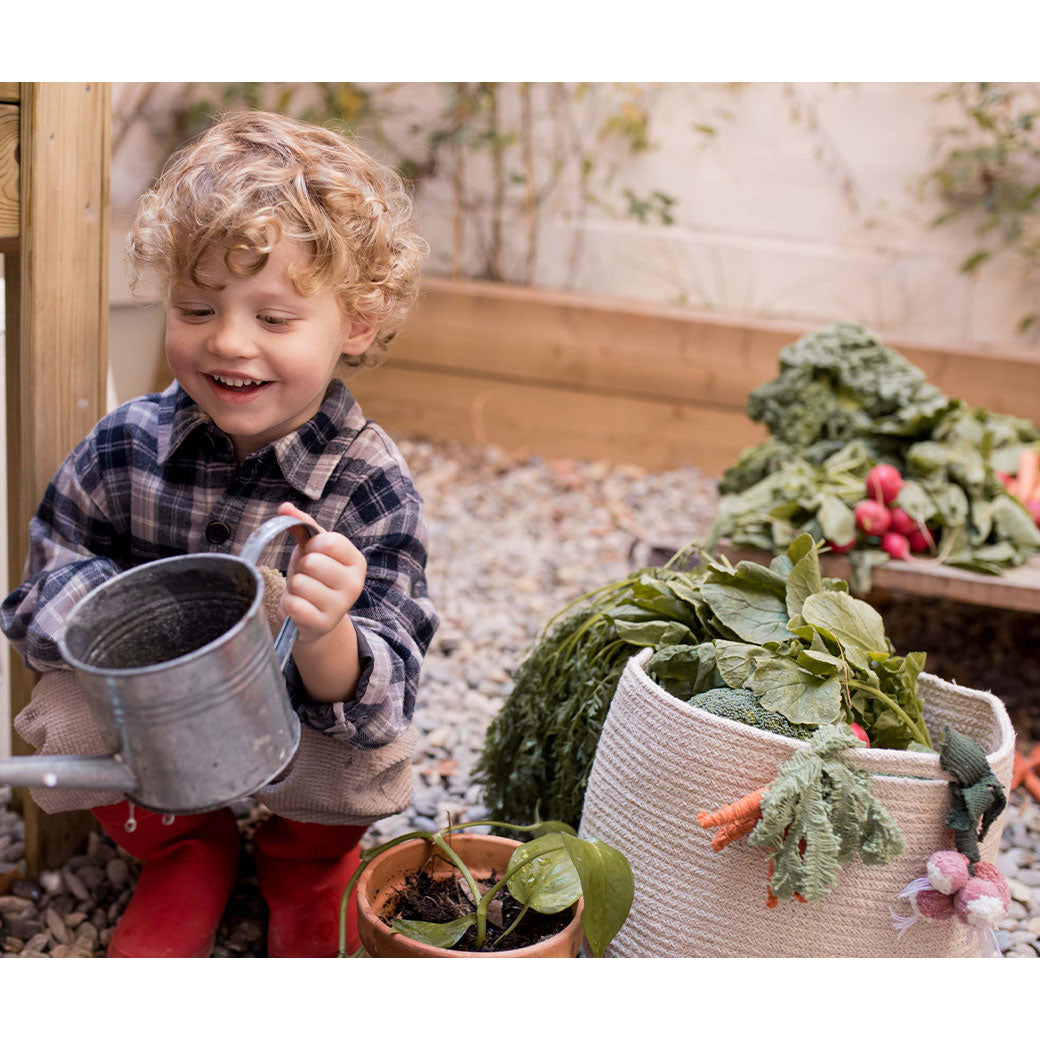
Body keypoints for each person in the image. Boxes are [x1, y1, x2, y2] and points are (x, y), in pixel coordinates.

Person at [0, 110, 439, 957]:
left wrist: (327, 632)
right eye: (196, 307)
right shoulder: (127, 445)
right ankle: (183, 847)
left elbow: (386, 698)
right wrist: (139, 633)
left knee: (367, 764)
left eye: (274, 319)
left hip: (299, 720)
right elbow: (42, 583)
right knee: (64, 712)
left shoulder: (368, 485)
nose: (229, 342)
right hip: (158, 721)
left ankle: (304, 862)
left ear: (357, 320)